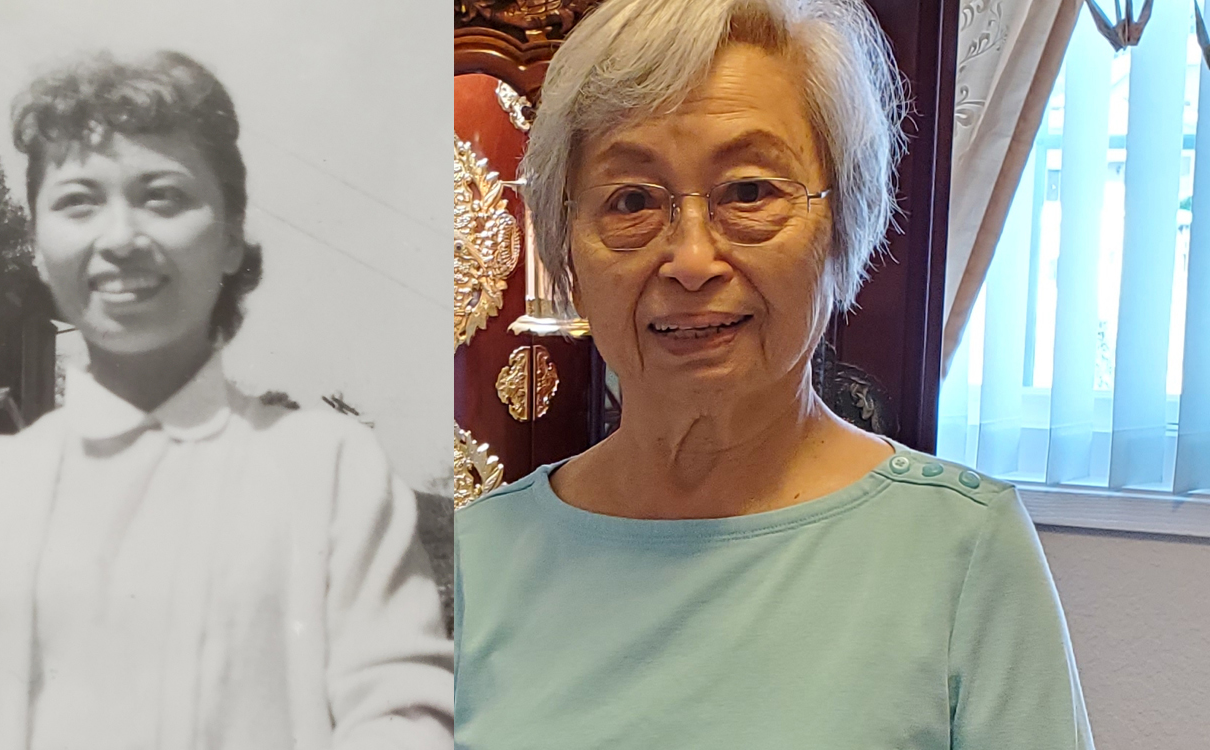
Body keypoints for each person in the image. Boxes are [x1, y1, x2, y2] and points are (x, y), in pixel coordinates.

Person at [454, 1, 1093, 748]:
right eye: (631, 201)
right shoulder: (467, 563)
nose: (691, 261)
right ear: (568, 250)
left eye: (749, 192)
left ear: (841, 223)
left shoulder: (963, 554)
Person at [0, 50, 453, 750]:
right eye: (78, 201)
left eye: (163, 196)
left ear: (233, 235)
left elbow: (404, 718)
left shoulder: (330, 476)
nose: (120, 239)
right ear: (36, 243)